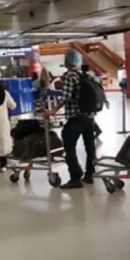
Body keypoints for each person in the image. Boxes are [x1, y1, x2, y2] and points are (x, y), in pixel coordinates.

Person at [44, 49, 97, 189]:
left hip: (76, 117)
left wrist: (53, 110)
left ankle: (75, 177)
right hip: (90, 117)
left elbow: (66, 97)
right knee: (90, 146)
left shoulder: (69, 76)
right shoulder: (86, 75)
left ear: (66, 62)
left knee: (69, 145)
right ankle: (90, 174)